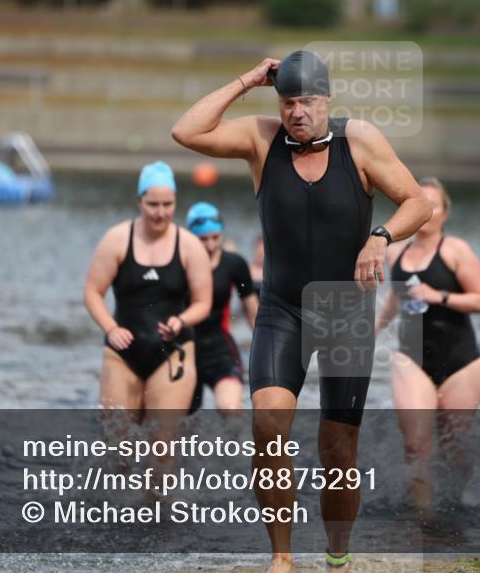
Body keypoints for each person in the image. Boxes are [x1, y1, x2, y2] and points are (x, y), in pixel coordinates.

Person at [171, 50, 431, 572]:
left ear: (327, 99)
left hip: (348, 312)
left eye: (308, 101)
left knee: (338, 450)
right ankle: (283, 558)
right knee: (267, 425)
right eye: (288, 101)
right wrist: (249, 78)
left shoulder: (359, 141)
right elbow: (187, 131)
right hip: (283, 308)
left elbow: (417, 202)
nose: (297, 112)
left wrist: (381, 237)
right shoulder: (260, 140)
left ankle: (336, 555)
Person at [374, 177, 480, 515]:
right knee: (417, 444)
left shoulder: (456, 251)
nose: (426, 212)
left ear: (444, 214)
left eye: (433, 205)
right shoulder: (395, 252)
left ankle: (454, 504)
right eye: (419, 204)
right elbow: (397, 297)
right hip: (412, 359)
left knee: (455, 448)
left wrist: (438, 295)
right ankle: (422, 519)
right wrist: (374, 330)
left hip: (461, 363)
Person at [84, 161, 212, 419]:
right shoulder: (117, 240)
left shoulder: (189, 246)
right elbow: (92, 292)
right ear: (139, 202)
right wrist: (111, 329)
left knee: (163, 451)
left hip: (173, 352)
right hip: (122, 353)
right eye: (153, 205)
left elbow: (203, 303)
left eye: (168, 205)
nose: (160, 213)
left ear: (175, 203)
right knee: (118, 449)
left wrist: (181, 320)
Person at [185, 202, 259, 415]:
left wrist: (268, 351)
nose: (209, 245)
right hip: (185, 352)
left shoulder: (234, 264)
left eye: (215, 238)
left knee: (230, 411)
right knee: (179, 424)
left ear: (221, 235)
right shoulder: (179, 264)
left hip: (220, 349)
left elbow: (253, 314)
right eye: (203, 239)